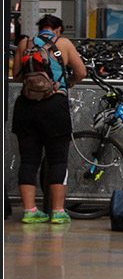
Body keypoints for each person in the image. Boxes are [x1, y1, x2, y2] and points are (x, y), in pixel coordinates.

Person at [10, 13, 87, 224]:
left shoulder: (25, 43)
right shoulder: (64, 44)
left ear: (40, 28)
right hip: (55, 106)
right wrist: (66, 82)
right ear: (58, 29)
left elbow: (17, 75)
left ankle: (29, 210)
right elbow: (81, 72)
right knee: (58, 160)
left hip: (26, 107)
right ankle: (58, 211)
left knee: (28, 160)